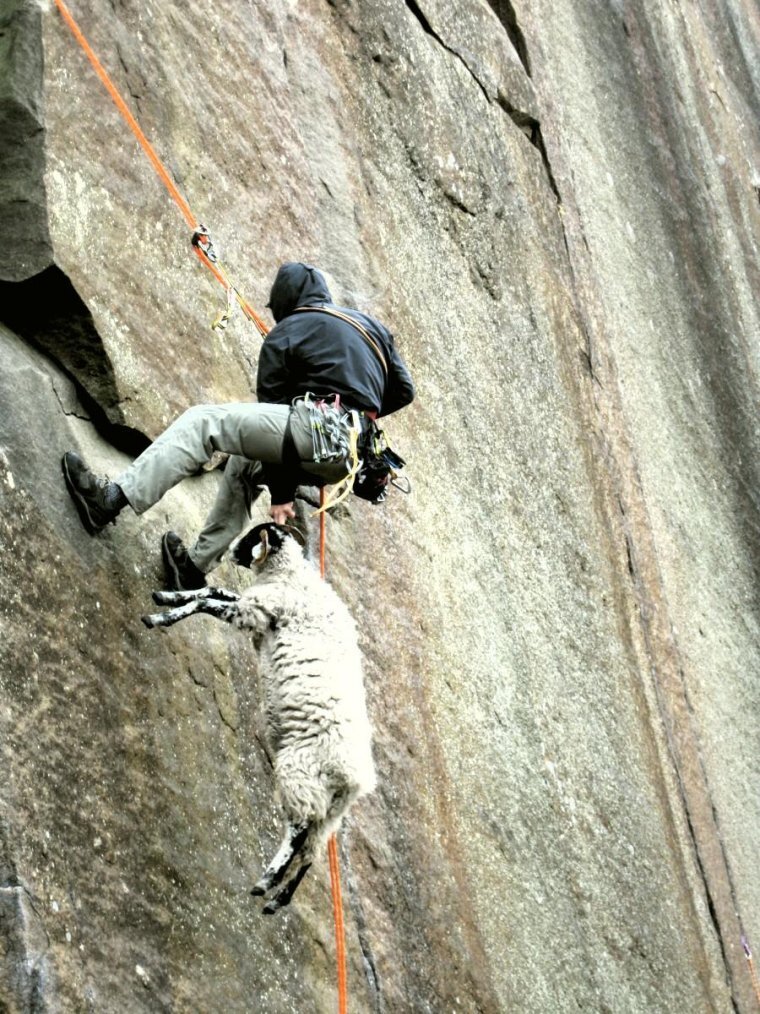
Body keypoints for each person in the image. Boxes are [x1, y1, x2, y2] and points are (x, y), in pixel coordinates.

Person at [62, 262, 415, 588]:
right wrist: (355, 404)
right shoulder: (371, 328)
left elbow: (278, 423)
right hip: (346, 459)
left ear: (282, 303)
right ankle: (192, 570)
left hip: (311, 435)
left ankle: (107, 501)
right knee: (244, 465)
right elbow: (403, 391)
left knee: (205, 422)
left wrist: (282, 495)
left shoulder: (286, 333)